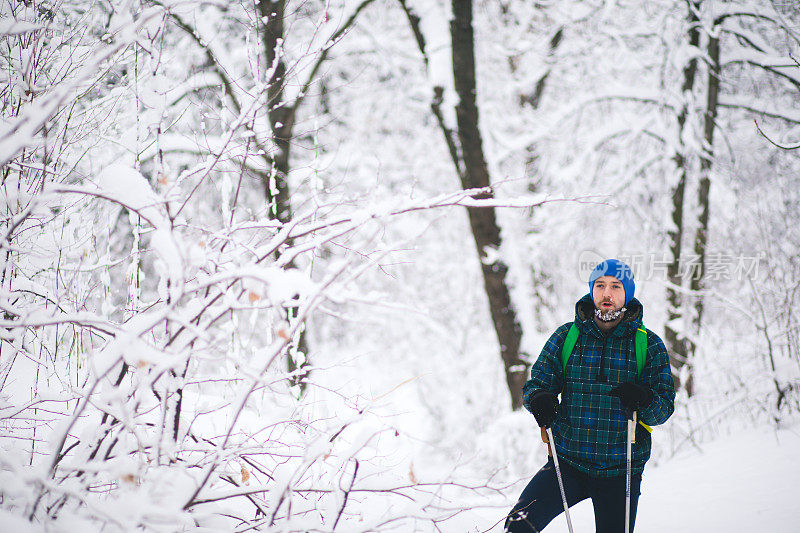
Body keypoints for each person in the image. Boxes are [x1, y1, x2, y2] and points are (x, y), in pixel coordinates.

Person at [505, 259, 675, 533]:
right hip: (568, 464)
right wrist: (539, 399)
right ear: (592, 290)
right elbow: (535, 385)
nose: (607, 293)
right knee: (518, 525)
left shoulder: (648, 344)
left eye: (616, 286)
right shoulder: (567, 336)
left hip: (621, 471)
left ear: (627, 293)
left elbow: (664, 408)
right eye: (600, 285)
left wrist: (644, 399)